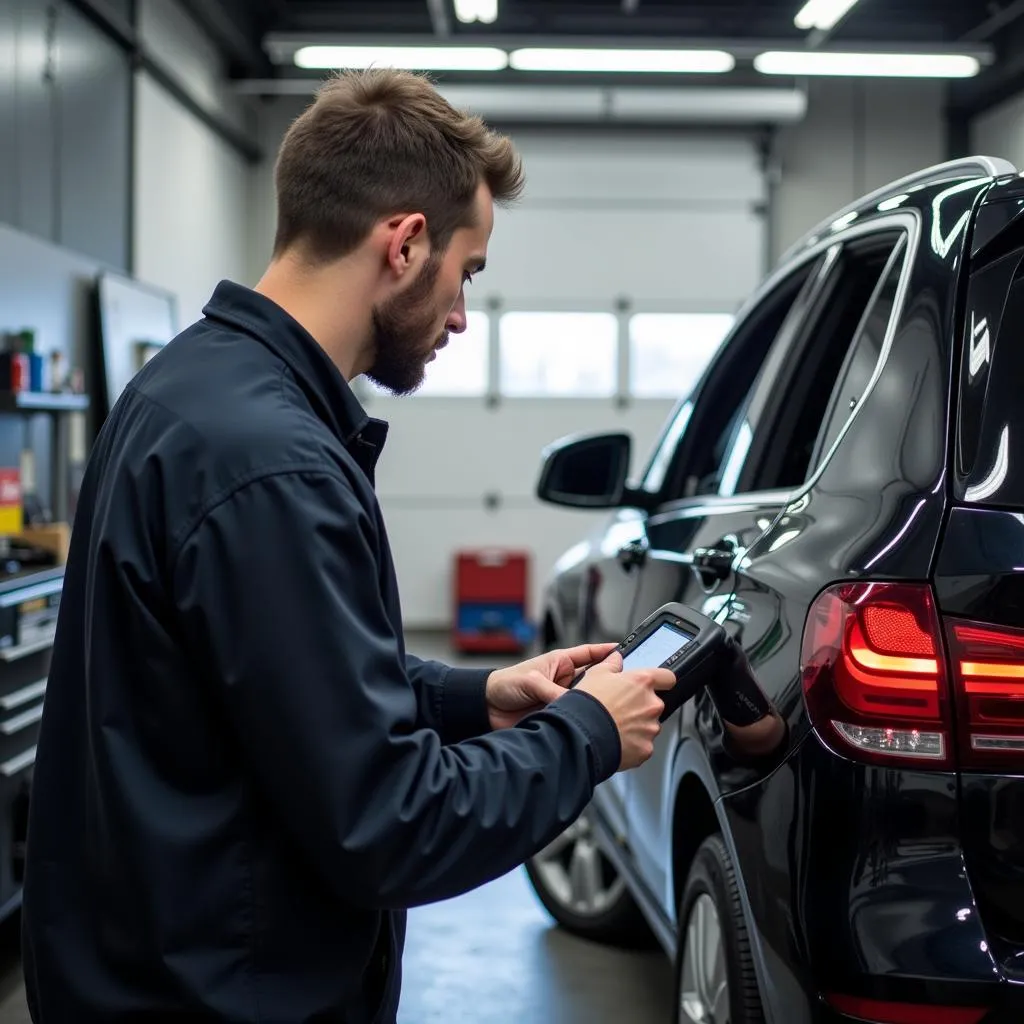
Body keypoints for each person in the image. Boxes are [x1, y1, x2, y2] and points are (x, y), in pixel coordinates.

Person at [21, 68, 779, 1023]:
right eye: (468, 274)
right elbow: (393, 825)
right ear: (406, 242)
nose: (461, 315)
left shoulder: (190, 389)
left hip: (147, 968)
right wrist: (588, 734)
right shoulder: (274, 466)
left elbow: (274, 685)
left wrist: (476, 696)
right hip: (217, 995)